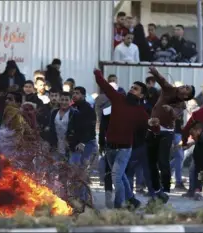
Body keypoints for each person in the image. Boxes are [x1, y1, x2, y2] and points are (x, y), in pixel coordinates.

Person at [94, 69, 149, 209]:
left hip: (124, 149)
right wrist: (98, 74)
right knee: (121, 176)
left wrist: (153, 127)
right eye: (131, 87)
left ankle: (119, 205)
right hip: (110, 147)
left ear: (141, 95)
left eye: (135, 89)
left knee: (116, 177)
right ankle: (131, 199)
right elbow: (105, 86)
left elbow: (145, 131)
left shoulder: (141, 113)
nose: (131, 90)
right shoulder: (118, 99)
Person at [147, 66, 195, 195]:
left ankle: (166, 190)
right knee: (151, 161)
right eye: (185, 85)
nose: (184, 86)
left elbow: (176, 115)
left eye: (187, 88)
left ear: (187, 96)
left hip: (166, 132)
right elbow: (162, 81)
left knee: (163, 161)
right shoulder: (169, 89)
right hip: (152, 129)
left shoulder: (182, 104)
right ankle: (155, 189)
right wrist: (155, 72)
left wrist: (170, 110)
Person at [71, 86, 97, 169]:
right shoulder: (72, 107)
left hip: (87, 143)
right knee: (73, 168)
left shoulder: (88, 109)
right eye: (74, 93)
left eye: (77, 93)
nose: (74, 95)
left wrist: (83, 142)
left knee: (82, 169)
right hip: (75, 143)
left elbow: (89, 128)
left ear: (83, 95)